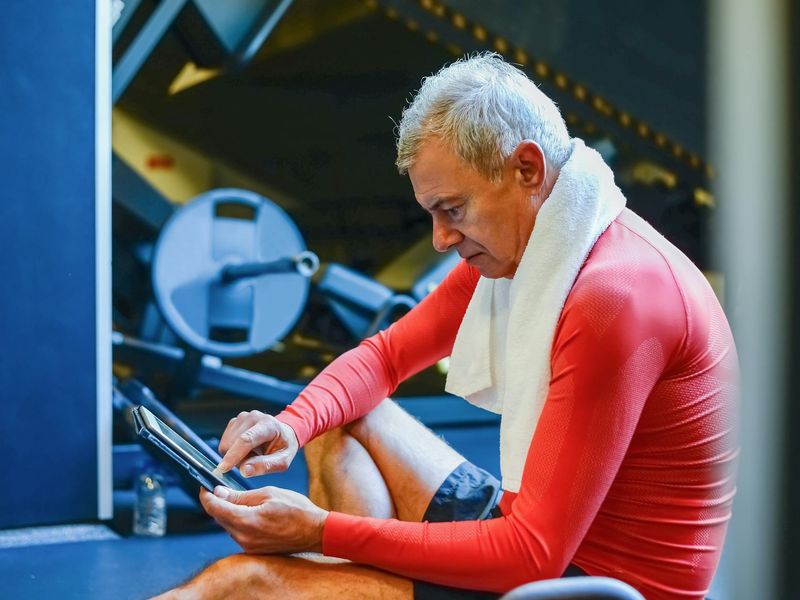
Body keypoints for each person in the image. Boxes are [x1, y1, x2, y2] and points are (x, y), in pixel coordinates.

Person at [156, 53, 738, 600]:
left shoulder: (612, 297)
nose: (440, 239)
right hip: (542, 541)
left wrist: (317, 532)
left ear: (527, 169)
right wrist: (291, 425)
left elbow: (531, 553)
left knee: (240, 583)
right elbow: (384, 358)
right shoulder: (543, 241)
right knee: (342, 420)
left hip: (582, 583)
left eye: (452, 210)